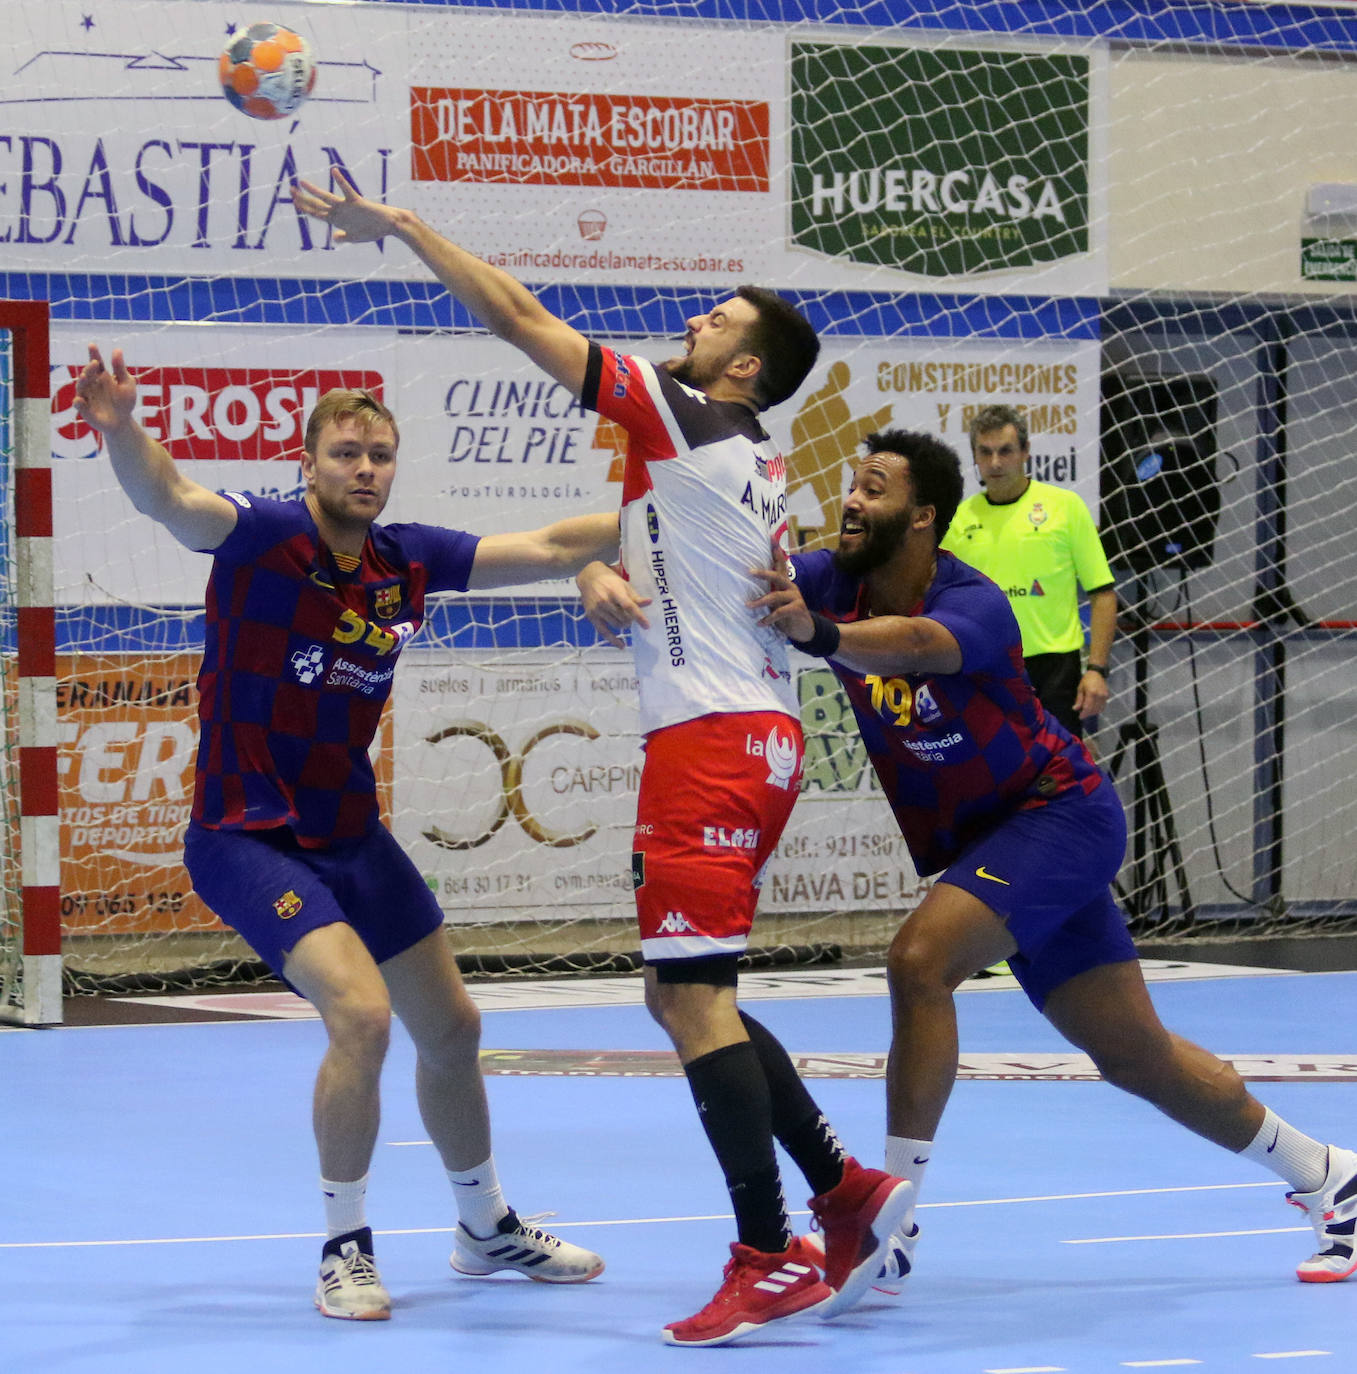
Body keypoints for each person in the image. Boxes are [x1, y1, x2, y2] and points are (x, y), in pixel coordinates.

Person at [290, 170, 913, 1346]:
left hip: (716, 741)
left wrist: (403, 226)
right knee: (687, 993)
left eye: (719, 321)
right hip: (737, 731)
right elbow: (630, 539)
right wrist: (590, 567)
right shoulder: (711, 449)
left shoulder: (690, 414)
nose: (695, 322)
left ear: (742, 368)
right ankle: (844, 1192)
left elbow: (520, 322)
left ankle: (768, 1252)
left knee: (691, 1002)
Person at [72, 349, 617, 1322]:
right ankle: (344, 1247)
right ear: (308, 460)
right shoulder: (265, 539)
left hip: (349, 833)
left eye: (379, 454)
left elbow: (542, 547)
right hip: (248, 835)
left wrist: (678, 512)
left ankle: (483, 1227)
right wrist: (121, 429)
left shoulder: (406, 559)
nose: (364, 468)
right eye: (346, 453)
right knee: (362, 1019)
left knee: (452, 1029)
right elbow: (172, 502)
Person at [746, 426, 1357, 1290]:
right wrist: (603, 563)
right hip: (993, 844)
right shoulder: (828, 579)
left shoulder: (974, 603)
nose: (850, 499)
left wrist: (819, 638)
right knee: (1135, 1058)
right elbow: (727, 557)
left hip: (1057, 817)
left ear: (922, 517)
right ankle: (1330, 1173)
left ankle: (887, 1225)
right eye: (852, 484)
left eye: (873, 488)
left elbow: (916, 647)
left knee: (918, 961)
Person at [941, 404, 1116, 738]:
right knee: (993, 776)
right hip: (984, 667)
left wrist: (1096, 670)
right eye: (985, 452)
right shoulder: (959, 520)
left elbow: (1103, 594)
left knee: (1056, 777)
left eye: (1005, 451)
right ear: (975, 456)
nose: (995, 462)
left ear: (1025, 452)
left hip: (1054, 668)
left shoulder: (1066, 507)